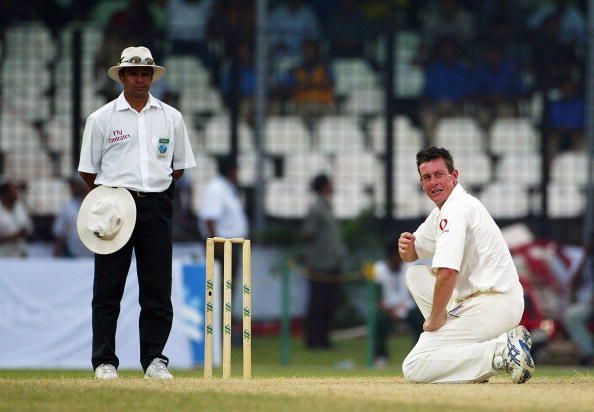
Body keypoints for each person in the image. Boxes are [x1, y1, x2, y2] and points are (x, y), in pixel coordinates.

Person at [78, 46, 197, 380]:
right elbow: (88, 171)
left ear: (152, 77)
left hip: (157, 205)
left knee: (157, 288)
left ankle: (155, 360)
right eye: (134, 73)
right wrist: (113, 197)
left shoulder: (171, 117)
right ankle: (104, 361)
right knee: (108, 288)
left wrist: (150, 193)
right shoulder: (102, 118)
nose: (140, 80)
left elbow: (177, 169)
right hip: (115, 205)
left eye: (146, 74)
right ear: (122, 76)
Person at [397, 147, 535, 384]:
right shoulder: (445, 210)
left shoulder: (455, 210)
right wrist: (406, 247)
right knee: (415, 276)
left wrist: (435, 318)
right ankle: (473, 360)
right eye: (427, 177)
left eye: (439, 174)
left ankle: (502, 351)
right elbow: (413, 253)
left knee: (414, 365)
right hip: (484, 302)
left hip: (494, 304)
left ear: (454, 175)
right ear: (421, 183)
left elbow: (448, 272)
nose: (434, 182)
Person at [199, 156, 248, 342]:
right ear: (230, 171)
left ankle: (222, 334)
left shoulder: (227, 188)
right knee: (219, 291)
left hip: (230, 245)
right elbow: (209, 218)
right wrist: (216, 244)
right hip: (222, 246)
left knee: (227, 291)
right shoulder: (217, 188)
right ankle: (216, 336)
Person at [302, 174, 345, 349]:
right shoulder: (316, 208)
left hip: (332, 263)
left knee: (329, 304)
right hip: (320, 264)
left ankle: (324, 338)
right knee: (318, 304)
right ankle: (314, 339)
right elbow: (307, 233)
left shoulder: (327, 206)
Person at [369, 241, 424, 368]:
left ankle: (417, 354)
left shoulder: (408, 266)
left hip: (407, 307)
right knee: (378, 320)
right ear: (390, 256)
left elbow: (416, 292)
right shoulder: (378, 269)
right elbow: (377, 297)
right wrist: (389, 311)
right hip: (388, 309)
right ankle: (380, 357)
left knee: (421, 320)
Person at [562, 236, 593, 366]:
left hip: (590, 302)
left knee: (572, 316)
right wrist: (584, 258)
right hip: (587, 302)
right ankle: (589, 355)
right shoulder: (585, 260)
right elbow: (573, 283)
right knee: (570, 315)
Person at [52, 175, 93, 258]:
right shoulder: (68, 207)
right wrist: (56, 259)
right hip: (73, 258)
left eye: (75, 185)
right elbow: (60, 234)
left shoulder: (98, 203)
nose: (72, 188)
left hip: (95, 258)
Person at [0, 180, 32, 258]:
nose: (16, 193)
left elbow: (28, 229)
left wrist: (25, 233)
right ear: (5, 194)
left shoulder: (20, 207)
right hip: (3, 256)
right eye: (13, 191)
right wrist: (15, 236)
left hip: (20, 255)